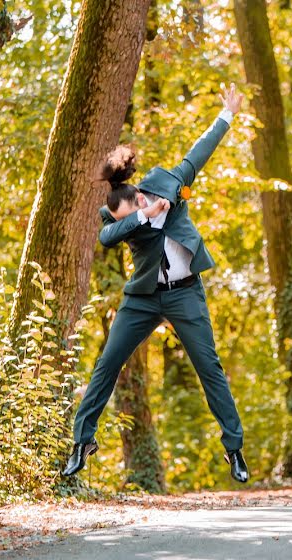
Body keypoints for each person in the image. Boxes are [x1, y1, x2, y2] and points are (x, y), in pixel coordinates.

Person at [62, 84, 249, 484]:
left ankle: (234, 448)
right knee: (107, 363)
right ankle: (82, 442)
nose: (131, 221)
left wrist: (227, 114)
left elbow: (198, 153)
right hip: (143, 297)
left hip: (185, 293)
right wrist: (141, 220)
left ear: (141, 194)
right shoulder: (118, 214)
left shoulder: (166, 184)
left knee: (209, 367)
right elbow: (108, 238)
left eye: (136, 211)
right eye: (125, 219)